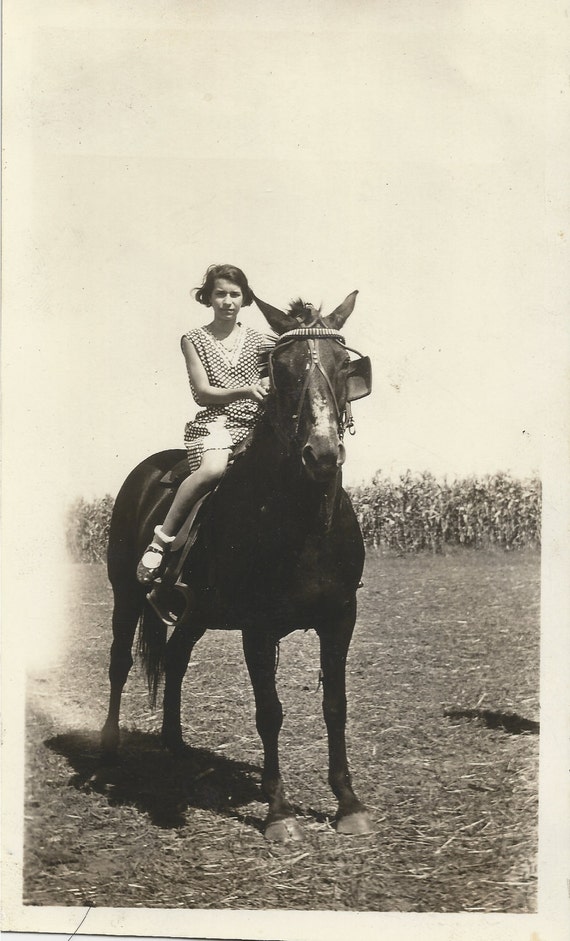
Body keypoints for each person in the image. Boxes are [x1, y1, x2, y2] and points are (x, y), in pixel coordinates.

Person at [136, 264, 272, 585]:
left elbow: (268, 386)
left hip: (254, 424)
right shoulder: (194, 339)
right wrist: (246, 390)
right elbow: (202, 393)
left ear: (244, 298)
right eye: (220, 294)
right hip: (216, 425)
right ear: (208, 298)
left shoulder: (259, 340)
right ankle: (161, 541)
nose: (228, 301)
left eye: (235, 295)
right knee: (212, 471)